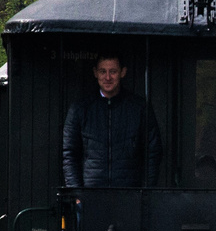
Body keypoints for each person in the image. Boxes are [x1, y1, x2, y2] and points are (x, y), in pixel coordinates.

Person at [62, 52, 163, 187]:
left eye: (113, 71)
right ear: (95, 73)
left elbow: (153, 152)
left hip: (129, 194)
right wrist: (76, 194)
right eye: (103, 71)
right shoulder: (80, 109)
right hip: (91, 194)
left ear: (123, 72)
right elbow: (69, 154)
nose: (108, 77)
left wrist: (146, 192)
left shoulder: (139, 108)